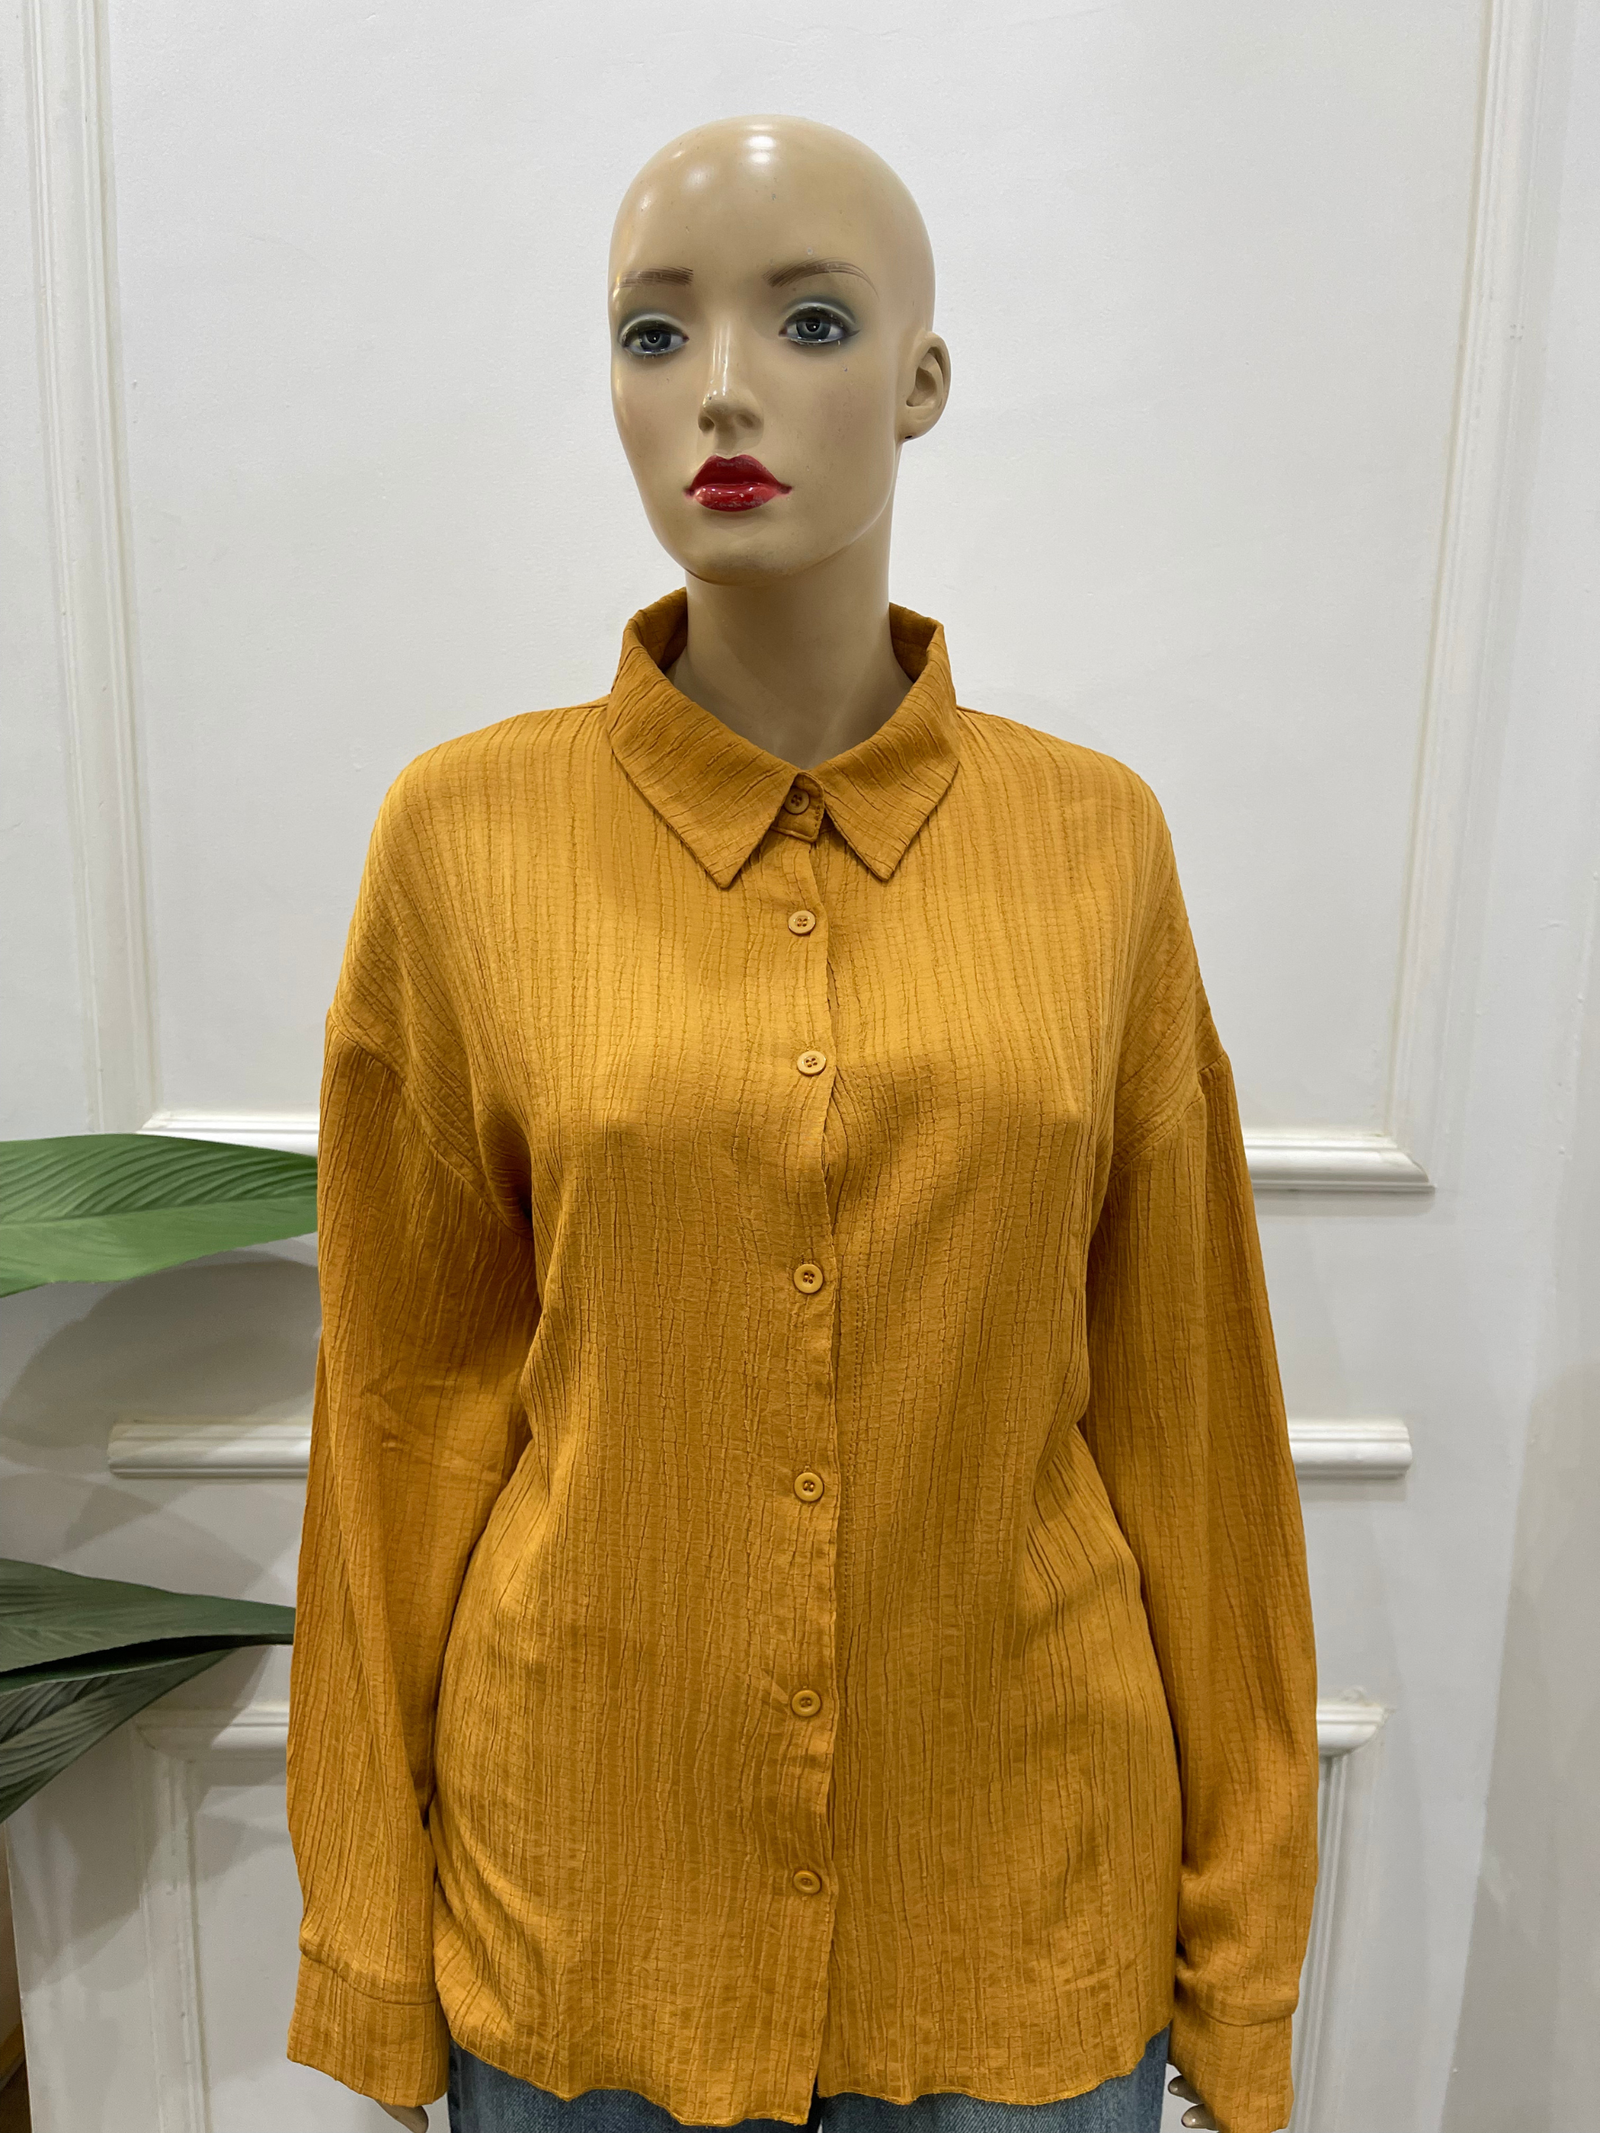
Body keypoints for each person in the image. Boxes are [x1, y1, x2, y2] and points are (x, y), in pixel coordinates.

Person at [284, 113, 1319, 2133]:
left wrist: (1242, 1957)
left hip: (1016, 1920)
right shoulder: (462, 841)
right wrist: (373, 1950)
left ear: (921, 382)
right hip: (589, 1923)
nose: (723, 390)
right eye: (653, 332)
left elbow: (1191, 1420)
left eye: (812, 321)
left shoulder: (1093, 845)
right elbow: (397, 1429)